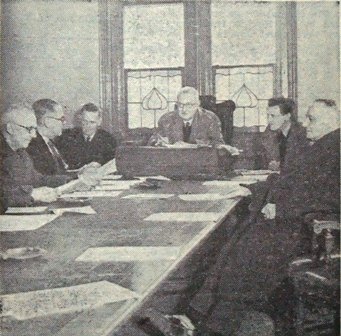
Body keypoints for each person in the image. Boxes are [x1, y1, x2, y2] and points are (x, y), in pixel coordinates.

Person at [186, 99, 340, 335]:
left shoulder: (335, 148)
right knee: (239, 238)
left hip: (313, 230)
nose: (306, 124)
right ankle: (201, 313)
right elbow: (291, 181)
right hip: (295, 219)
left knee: (248, 249)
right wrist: (255, 191)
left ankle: (215, 321)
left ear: (334, 122)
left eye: (312, 119)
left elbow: (332, 197)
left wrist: (282, 208)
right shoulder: (321, 144)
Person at [0, 104, 67, 212]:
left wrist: (74, 180)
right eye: (29, 129)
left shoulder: (21, 152)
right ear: (10, 128)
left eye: (35, 129)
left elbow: (39, 179)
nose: (34, 135)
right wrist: (32, 194)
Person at [150, 86, 225, 146]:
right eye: (180, 105)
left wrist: (192, 146)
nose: (184, 109)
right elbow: (153, 141)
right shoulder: (166, 119)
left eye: (189, 105)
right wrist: (158, 142)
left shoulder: (210, 118)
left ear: (197, 104)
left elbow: (218, 144)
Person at [55, 103, 117, 170]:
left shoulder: (109, 139)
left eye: (92, 122)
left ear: (99, 122)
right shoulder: (66, 137)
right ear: (80, 119)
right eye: (85, 121)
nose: (88, 126)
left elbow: (111, 164)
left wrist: (99, 164)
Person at [26, 99, 71, 177]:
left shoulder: (50, 142)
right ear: (48, 122)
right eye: (61, 119)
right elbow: (48, 178)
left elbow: (60, 173)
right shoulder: (32, 146)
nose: (64, 123)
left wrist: (80, 172)